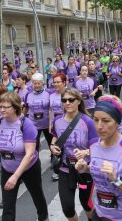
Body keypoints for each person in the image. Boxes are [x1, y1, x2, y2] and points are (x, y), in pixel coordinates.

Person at [75, 96, 122, 220]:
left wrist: (116, 179)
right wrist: (85, 169)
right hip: (101, 214)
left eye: (106, 120)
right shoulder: (93, 144)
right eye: (96, 120)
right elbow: (99, 171)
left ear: (117, 122)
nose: (99, 126)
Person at [0, 92, 48, 221]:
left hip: (29, 168)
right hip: (8, 168)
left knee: (37, 195)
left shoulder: (26, 124)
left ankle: (43, 217)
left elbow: (29, 154)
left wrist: (16, 177)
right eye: (0, 106)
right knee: (8, 207)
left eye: (6, 107)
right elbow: (0, 145)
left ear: (16, 107)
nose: (1, 110)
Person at [50, 88, 97, 220]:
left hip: (84, 170)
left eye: (71, 100)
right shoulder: (57, 121)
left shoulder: (87, 121)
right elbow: (55, 137)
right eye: (64, 100)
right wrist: (53, 146)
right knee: (68, 208)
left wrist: (85, 152)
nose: (67, 103)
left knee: (86, 203)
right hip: (66, 169)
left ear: (78, 101)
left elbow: (97, 146)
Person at [23, 73, 52, 150]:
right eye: (34, 83)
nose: (36, 85)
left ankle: (54, 158)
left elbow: (51, 109)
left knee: (51, 143)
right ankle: (35, 161)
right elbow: (26, 107)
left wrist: (51, 123)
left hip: (47, 124)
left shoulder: (49, 93)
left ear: (42, 83)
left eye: (38, 83)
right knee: (35, 146)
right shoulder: (28, 94)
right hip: (34, 124)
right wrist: (21, 118)